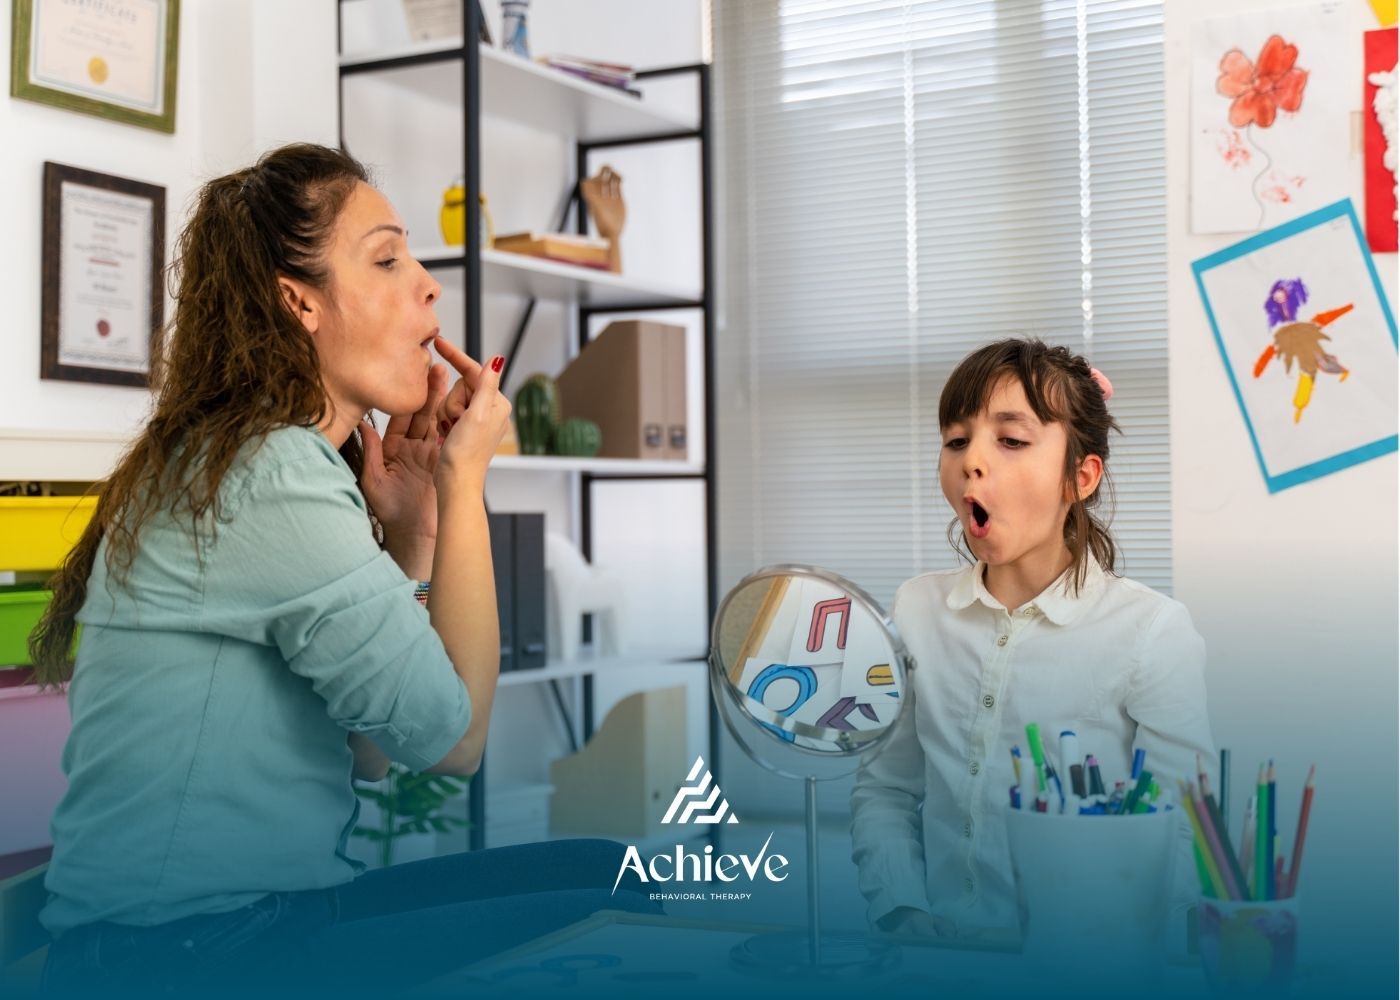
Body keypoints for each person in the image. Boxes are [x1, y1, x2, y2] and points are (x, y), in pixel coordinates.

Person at [28, 143, 657, 995]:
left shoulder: (251, 459)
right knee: (612, 900)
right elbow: (456, 741)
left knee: (614, 873)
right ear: (299, 304)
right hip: (185, 959)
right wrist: (461, 482)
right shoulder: (267, 471)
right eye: (388, 258)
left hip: (245, 925)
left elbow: (370, 747)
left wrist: (414, 534)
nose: (428, 284)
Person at [849, 337, 1214, 940]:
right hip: (943, 965)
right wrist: (902, 909)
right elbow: (886, 788)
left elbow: (1184, 829)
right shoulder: (916, 608)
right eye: (956, 440)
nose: (972, 460)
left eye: (1011, 440)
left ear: (1081, 476)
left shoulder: (1151, 631)